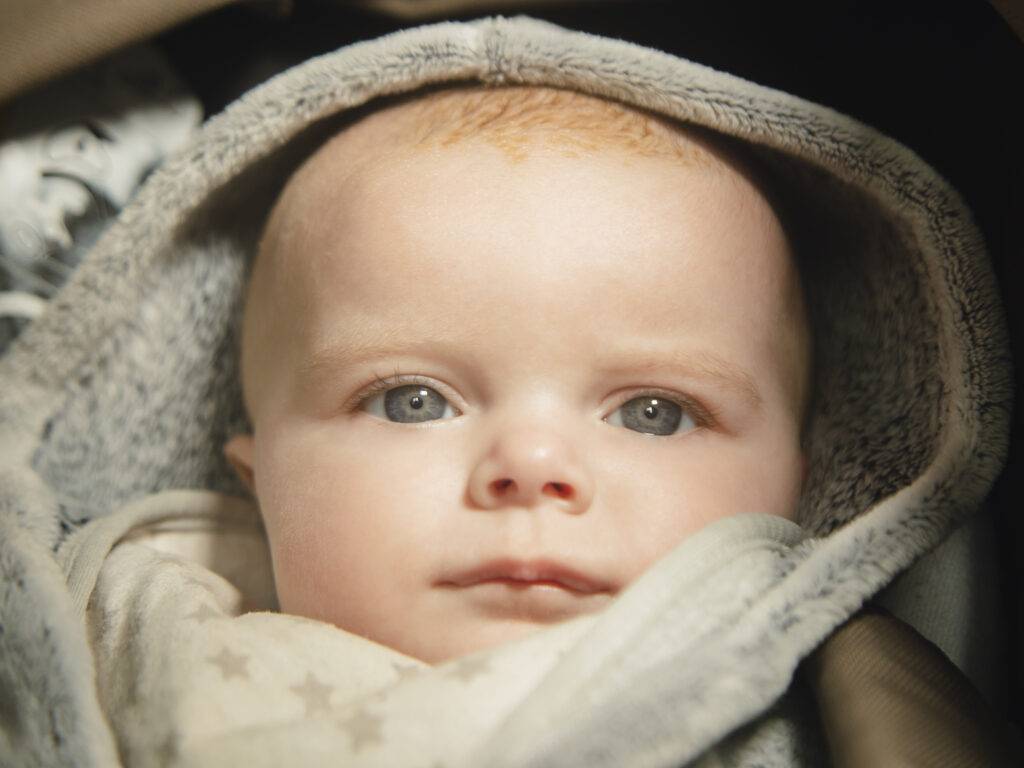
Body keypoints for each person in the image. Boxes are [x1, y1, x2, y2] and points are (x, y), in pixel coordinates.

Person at [221, 83, 812, 665]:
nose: (531, 466)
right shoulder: (160, 639)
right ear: (260, 485)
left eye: (653, 415)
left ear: (801, 489)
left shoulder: (865, 711)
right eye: (413, 402)